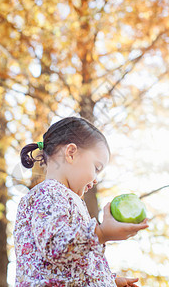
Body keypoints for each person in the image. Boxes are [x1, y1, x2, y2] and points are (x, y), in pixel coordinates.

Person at [13, 116, 149, 287]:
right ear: (71, 153)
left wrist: (109, 281)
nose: (96, 179)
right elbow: (55, 246)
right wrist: (101, 233)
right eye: (96, 168)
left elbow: (73, 262)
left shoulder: (67, 200)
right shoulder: (49, 193)